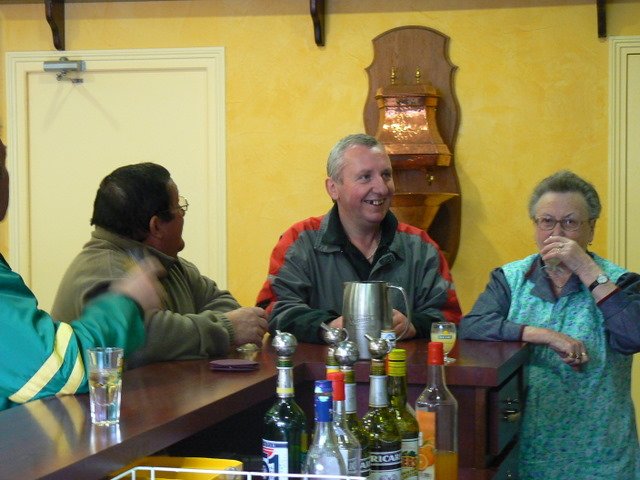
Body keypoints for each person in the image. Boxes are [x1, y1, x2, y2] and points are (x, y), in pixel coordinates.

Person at [460, 170, 640, 478]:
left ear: (591, 229)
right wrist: (542, 335)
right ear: (535, 226)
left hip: (602, 458)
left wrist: (585, 267)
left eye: (570, 223)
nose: (557, 233)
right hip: (529, 455)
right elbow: (472, 327)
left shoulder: (620, 281)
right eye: (546, 221)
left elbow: (634, 335)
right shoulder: (510, 278)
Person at [0, 138, 164, 411]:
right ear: (155, 224)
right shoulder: (105, 266)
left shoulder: (176, 265)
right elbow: (63, 370)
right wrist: (129, 301)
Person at [51, 163, 267, 368]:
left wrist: (207, 328)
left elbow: (223, 303)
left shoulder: (169, 264)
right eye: (179, 207)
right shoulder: (102, 268)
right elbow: (142, 338)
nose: (183, 214)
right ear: (156, 226)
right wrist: (225, 329)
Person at [256, 133, 461, 343]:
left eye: (386, 175)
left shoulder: (421, 246)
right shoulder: (299, 241)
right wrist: (329, 326)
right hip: (323, 365)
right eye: (365, 177)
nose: (382, 188)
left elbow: (450, 317)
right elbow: (273, 310)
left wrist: (414, 324)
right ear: (333, 188)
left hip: (400, 365)